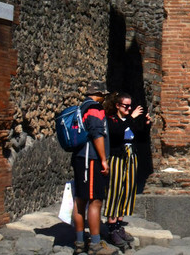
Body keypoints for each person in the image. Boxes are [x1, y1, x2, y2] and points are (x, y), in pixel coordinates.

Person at [71, 81, 116, 255]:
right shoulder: (95, 109)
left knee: (80, 200)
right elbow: (97, 134)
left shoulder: (80, 108)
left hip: (80, 158)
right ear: (99, 94)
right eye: (103, 95)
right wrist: (104, 160)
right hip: (91, 160)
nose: (104, 98)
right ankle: (95, 244)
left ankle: (80, 241)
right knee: (95, 201)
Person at [102, 93, 148, 249]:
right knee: (114, 190)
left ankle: (119, 225)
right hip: (117, 157)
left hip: (131, 157)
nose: (129, 108)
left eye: (130, 106)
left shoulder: (130, 121)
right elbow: (115, 134)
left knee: (127, 191)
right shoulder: (111, 120)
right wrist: (131, 118)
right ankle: (111, 227)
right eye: (126, 106)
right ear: (117, 106)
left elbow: (140, 138)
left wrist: (146, 124)